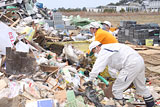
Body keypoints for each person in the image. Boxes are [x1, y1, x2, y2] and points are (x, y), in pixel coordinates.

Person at [88, 41, 155, 107]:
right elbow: (111, 69)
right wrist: (116, 78)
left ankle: (120, 104)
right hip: (139, 62)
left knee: (117, 89)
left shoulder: (104, 50)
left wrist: (90, 79)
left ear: (97, 47)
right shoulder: (111, 48)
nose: (95, 53)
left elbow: (98, 66)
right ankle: (151, 104)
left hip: (130, 65)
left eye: (94, 51)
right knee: (141, 87)